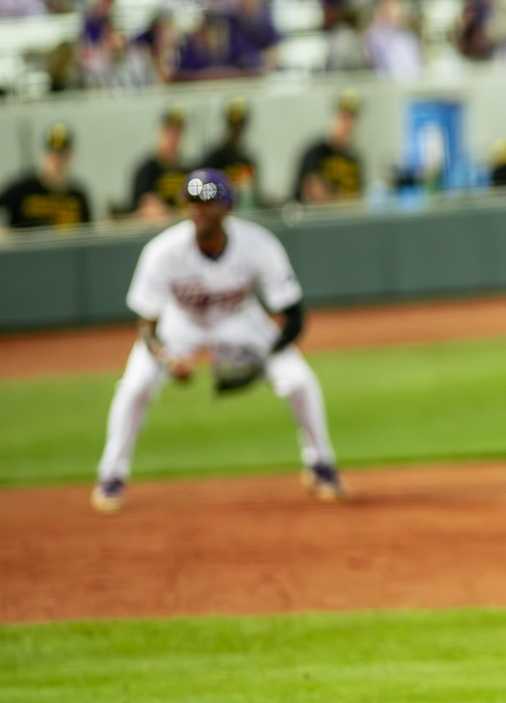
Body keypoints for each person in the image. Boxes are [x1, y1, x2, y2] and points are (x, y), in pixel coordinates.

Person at [90, 170, 343, 514]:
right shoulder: (162, 251)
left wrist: (265, 356)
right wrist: (166, 359)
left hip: (242, 320)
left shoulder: (258, 245)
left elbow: (294, 317)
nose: (198, 211)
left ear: (227, 208)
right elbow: (147, 326)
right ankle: (111, 475)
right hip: (180, 324)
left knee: (299, 380)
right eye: (192, 203)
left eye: (206, 204)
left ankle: (321, 465)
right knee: (134, 386)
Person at [0, 124, 91, 233]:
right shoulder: (24, 188)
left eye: (63, 154)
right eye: (53, 153)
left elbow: (88, 233)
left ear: (71, 155)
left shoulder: (78, 195)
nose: (57, 160)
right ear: (44, 154)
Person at [295, 89, 366, 203]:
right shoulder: (315, 153)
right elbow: (315, 194)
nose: (348, 124)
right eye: (343, 117)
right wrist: (344, 201)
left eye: (352, 118)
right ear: (334, 118)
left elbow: (360, 201)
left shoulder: (355, 160)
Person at [129, 106, 191, 220]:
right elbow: (149, 210)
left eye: (178, 132)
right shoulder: (146, 172)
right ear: (160, 133)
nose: (174, 138)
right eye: (170, 132)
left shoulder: (188, 170)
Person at [200, 98, 263, 206]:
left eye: (240, 124)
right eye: (233, 124)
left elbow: (254, 196)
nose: (236, 129)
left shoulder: (246, 160)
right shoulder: (214, 159)